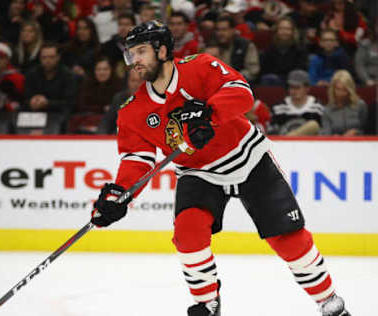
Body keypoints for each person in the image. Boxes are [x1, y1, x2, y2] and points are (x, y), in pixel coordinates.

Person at [89, 21, 351, 316]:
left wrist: (209, 113)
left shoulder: (200, 66)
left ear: (162, 50)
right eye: (130, 53)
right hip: (197, 172)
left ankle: (330, 303)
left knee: (288, 239)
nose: (133, 60)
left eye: (140, 51)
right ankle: (208, 303)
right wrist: (120, 194)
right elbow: (137, 159)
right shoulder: (131, 111)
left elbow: (242, 93)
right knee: (188, 232)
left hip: (247, 158)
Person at [24, 42, 77, 114]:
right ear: (40, 58)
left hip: (59, 115)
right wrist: (32, 101)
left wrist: (48, 103)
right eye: (44, 57)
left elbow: (70, 103)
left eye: (51, 57)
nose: (47, 61)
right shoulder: (32, 74)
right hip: (35, 114)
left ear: (58, 57)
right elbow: (25, 98)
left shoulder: (68, 76)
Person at [268, 70, 324, 136]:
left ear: (307, 88)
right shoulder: (278, 108)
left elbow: (323, 132)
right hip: (284, 145)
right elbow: (271, 133)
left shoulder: (317, 108)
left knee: (313, 125)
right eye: (291, 87)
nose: (293, 91)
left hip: (311, 145)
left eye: (297, 87)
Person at [260, 16, 308, 86]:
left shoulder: (300, 51)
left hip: (293, 85)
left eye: (287, 29)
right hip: (272, 84)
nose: (284, 32)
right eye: (281, 29)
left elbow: (300, 72)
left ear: (293, 31)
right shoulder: (268, 51)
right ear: (276, 31)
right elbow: (264, 72)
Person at [321, 70, 368, 136]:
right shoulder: (327, 110)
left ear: (350, 90)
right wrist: (334, 138)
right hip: (335, 145)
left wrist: (357, 133)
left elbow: (367, 130)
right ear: (333, 89)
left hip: (357, 143)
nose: (341, 93)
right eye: (338, 89)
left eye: (345, 90)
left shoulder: (360, 105)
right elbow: (325, 135)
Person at [214, 15, 260, 82]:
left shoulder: (245, 45)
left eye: (224, 30)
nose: (220, 33)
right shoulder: (212, 47)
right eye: (218, 30)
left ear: (233, 30)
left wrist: (232, 78)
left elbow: (253, 70)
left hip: (240, 86)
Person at [97, 68, 143, 134]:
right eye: (133, 81)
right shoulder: (119, 98)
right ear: (127, 82)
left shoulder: (154, 100)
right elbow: (106, 123)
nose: (136, 85)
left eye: (140, 81)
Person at [101, 12, 136, 79]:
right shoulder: (108, 46)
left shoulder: (140, 45)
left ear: (134, 27)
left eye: (127, 24)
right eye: (120, 24)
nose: (123, 28)